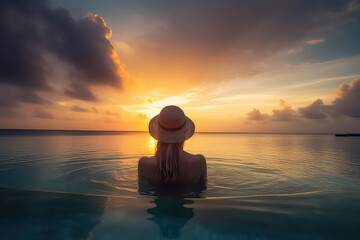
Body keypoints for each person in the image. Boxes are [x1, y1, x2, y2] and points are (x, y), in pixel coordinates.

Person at [138, 105, 207, 184]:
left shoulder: (144, 163)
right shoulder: (199, 161)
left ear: (158, 132)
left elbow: (143, 191)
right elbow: (203, 190)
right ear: (184, 132)